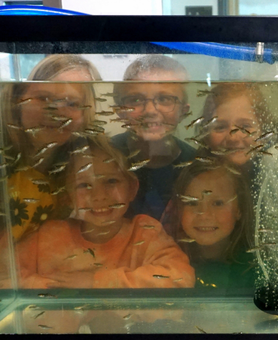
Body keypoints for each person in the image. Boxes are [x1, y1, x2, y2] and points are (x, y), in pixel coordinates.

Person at [14, 136, 195, 289]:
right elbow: (5, 275)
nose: (99, 196)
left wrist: (97, 281)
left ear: (132, 188)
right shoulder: (49, 235)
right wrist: (53, 287)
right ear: (67, 197)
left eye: (111, 181)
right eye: (84, 185)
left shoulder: (145, 232)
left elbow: (181, 277)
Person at [1, 54, 101, 241]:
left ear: (86, 113)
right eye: (44, 98)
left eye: (71, 103)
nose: (57, 112)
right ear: (17, 101)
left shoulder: (83, 167)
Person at [110, 55, 195, 220]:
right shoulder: (103, 156)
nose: (150, 110)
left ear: (183, 111)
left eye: (164, 99)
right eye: (135, 99)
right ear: (120, 111)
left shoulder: (196, 164)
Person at [168, 159, 255, 290]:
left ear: (239, 209)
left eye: (218, 203)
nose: (204, 214)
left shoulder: (254, 268)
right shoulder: (166, 261)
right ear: (178, 209)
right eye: (192, 203)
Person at [200, 82, 274, 169]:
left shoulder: (275, 166)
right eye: (220, 127)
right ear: (206, 134)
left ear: (263, 129)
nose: (233, 138)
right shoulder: (201, 178)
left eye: (245, 126)